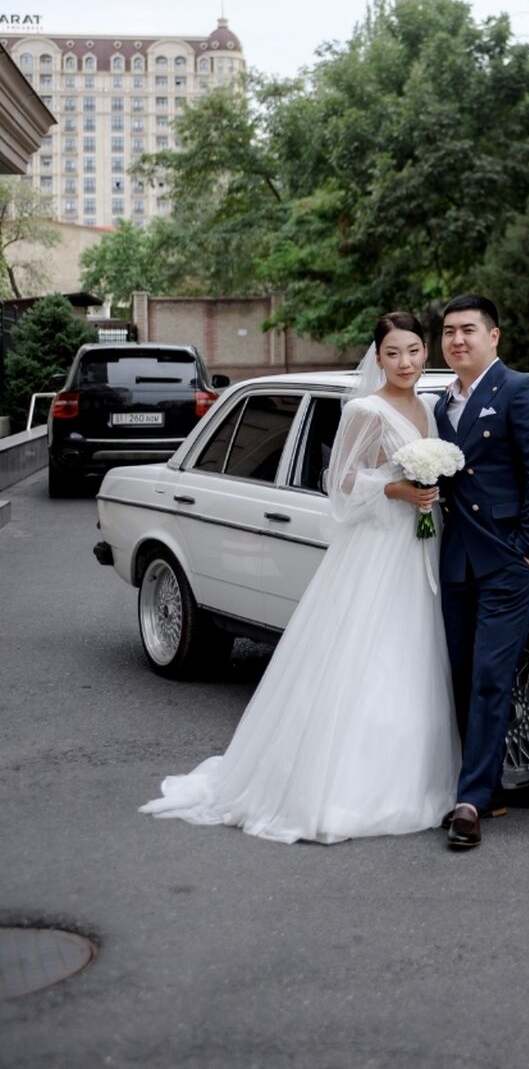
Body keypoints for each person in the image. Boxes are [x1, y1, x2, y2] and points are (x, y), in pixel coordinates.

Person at [139, 312, 460, 844]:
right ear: (376, 358)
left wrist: (427, 490)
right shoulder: (363, 408)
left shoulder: (428, 405)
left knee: (415, 655)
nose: (405, 362)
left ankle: (418, 780)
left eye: (414, 351)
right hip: (377, 548)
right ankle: (343, 789)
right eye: (393, 353)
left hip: (419, 545)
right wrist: (398, 490)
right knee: (367, 656)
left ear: (426, 353)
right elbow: (342, 482)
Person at [435, 294, 529, 850]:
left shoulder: (519, 390)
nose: (457, 340)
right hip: (459, 557)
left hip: (509, 560)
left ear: (494, 337)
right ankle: (487, 786)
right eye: (449, 332)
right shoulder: (442, 406)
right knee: (461, 674)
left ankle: (472, 802)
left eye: (468, 330)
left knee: (490, 676)